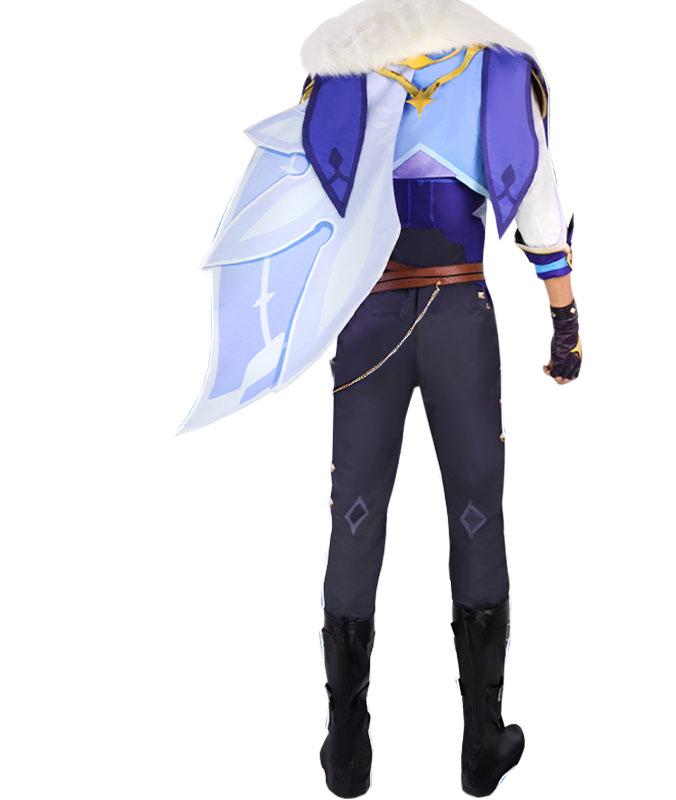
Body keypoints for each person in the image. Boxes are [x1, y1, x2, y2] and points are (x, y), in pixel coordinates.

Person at [182, 0, 581, 796]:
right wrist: (565, 321)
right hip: (460, 312)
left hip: (367, 322)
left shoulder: (337, 77)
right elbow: (539, 205)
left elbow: (305, 208)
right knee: (476, 509)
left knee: (355, 512)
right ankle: (481, 744)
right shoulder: (498, 70)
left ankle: (346, 749)